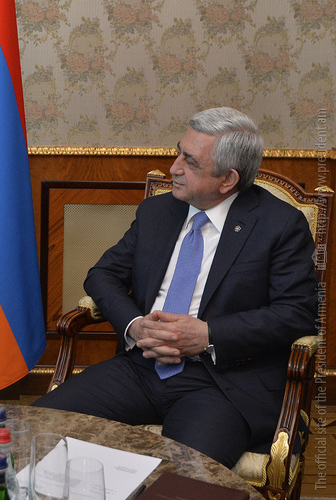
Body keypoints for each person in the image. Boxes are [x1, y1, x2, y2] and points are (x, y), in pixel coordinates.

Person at [32, 107, 318, 468]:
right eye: (178, 152)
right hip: (140, 367)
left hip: (221, 384)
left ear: (227, 179)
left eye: (190, 161)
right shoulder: (157, 212)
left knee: (185, 478)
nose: (174, 168)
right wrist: (136, 326)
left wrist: (208, 335)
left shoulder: (279, 225)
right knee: (34, 431)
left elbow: (296, 313)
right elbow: (102, 275)